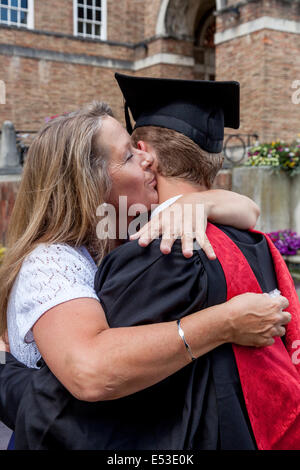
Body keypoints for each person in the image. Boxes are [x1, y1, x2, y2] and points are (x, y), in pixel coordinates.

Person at [0, 89, 291, 450]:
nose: (146, 160)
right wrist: (225, 323)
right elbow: (90, 372)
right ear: (89, 183)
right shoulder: (51, 261)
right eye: (128, 155)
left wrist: (203, 200)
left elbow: (249, 211)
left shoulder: (120, 237)